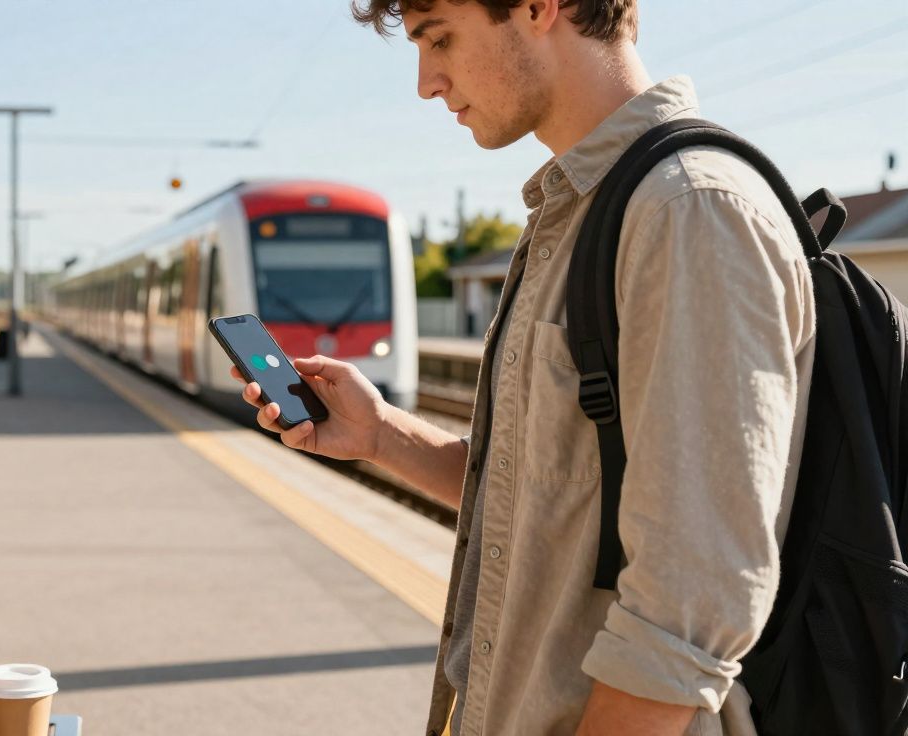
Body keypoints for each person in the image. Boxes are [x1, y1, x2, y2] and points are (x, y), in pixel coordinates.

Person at [232, 1, 816, 734]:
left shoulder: (688, 213)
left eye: (439, 38)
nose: (426, 82)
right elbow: (546, 495)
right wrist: (381, 435)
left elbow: (692, 602)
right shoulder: (581, 212)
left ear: (540, 7)